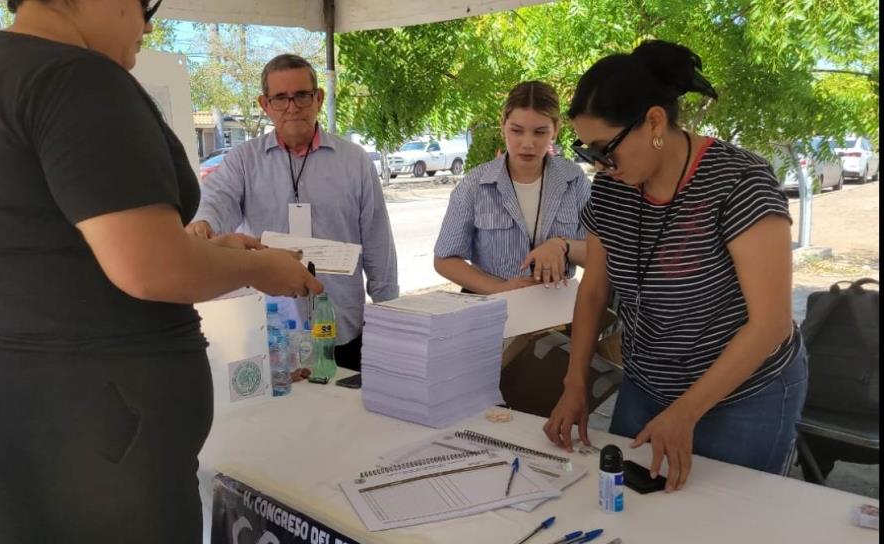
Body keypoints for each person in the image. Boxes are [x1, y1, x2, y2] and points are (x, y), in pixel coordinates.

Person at [0, 1, 323, 543]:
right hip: (82, 456)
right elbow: (149, 266)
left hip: (9, 428)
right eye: (144, 4)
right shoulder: (77, 78)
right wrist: (259, 268)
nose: (148, 24)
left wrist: (210, 250)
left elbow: (73, 248)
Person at [543, 40, 807, 491]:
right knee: (631, 510)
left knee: (724, 521)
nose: (599, 166)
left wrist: (686, 412)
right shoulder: (614, 189)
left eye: (606, 149)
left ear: (654, 122)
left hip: (743, 395)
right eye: (587, 153)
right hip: (648, 384)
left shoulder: (739, 182)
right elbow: (594, 291)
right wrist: (574, 381)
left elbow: (771, 325)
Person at [186, 54, 399, 372]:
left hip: (343, 327)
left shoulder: (355, 162)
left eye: (302, 95)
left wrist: (389, 319)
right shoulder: (244, 161)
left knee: (349, 419)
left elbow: (379, 245)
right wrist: (203, 223)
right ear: (265, 104)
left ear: (319, 98)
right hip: (274, 335)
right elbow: (217, 201)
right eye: (280, 98)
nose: (292, 106)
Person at [434, 81, 590, 295]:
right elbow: (444, 259)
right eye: (516, 131)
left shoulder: (575, 181)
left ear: (555, 130)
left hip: (555, 310)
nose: (527, 143)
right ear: (503, 125)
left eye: (540, 132)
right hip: (491, 312)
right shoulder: (476, 184)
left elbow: (600, 255)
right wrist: (499, 288)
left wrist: (562, 245)